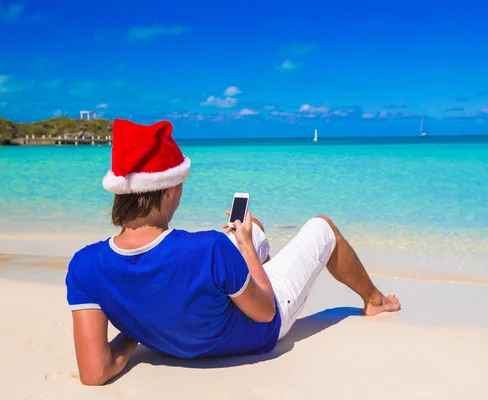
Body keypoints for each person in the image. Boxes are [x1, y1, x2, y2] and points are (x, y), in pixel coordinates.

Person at [65, 119, 401, 386]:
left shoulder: (85, 266)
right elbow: (265, 313)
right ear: (168, 188)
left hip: (175, 342)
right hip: (258, 333)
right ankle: (374, 301)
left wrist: (138, 329)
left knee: (255, 231)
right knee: (322, 227)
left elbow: (95, 374)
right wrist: (246, 254)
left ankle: (255, 260)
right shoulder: (208, 248)